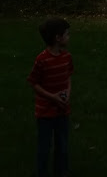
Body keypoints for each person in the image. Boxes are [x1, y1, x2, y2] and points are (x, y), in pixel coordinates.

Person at [27, 18, 73, 177]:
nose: (69, 37)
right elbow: (34, 83)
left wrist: (67, 93)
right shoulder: (42, 60)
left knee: (62, 144)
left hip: (62, 111)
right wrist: (52, 97)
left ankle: (61, 171)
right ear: (58, 38)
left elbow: (68, 77)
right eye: (67, 34)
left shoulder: (67, 57)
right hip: (45, 113)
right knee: (44, 146)